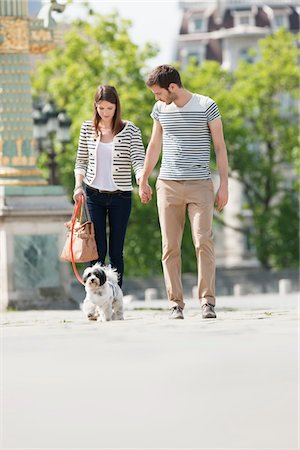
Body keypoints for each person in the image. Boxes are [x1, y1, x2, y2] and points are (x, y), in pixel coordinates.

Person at [139, 65, 228, 319]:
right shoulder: (160, 110)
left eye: (158, 93)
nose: (156, 98)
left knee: (203, 241)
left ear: (173, 88)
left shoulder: (206, 105)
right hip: (168, 184)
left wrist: (224, 185)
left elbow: (220, 147)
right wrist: (144, 178)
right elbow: (154, 144)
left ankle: (207, 301)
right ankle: (175, 304)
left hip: (200, 184)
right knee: (170, 246)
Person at [73, 85, 145, 287]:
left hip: (120, 196)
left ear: (117, 107)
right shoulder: (88, 128)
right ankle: (94, 299)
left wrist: (141, 179)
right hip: (93, 195)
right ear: (95, 107)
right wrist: (78, 186)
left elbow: (138, 159)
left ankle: (115, 298)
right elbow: (81, 161)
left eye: (109, 108)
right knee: (97, 249)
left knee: (115, 251)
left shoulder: (130, 130)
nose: (105, 113)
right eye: (101, 108)